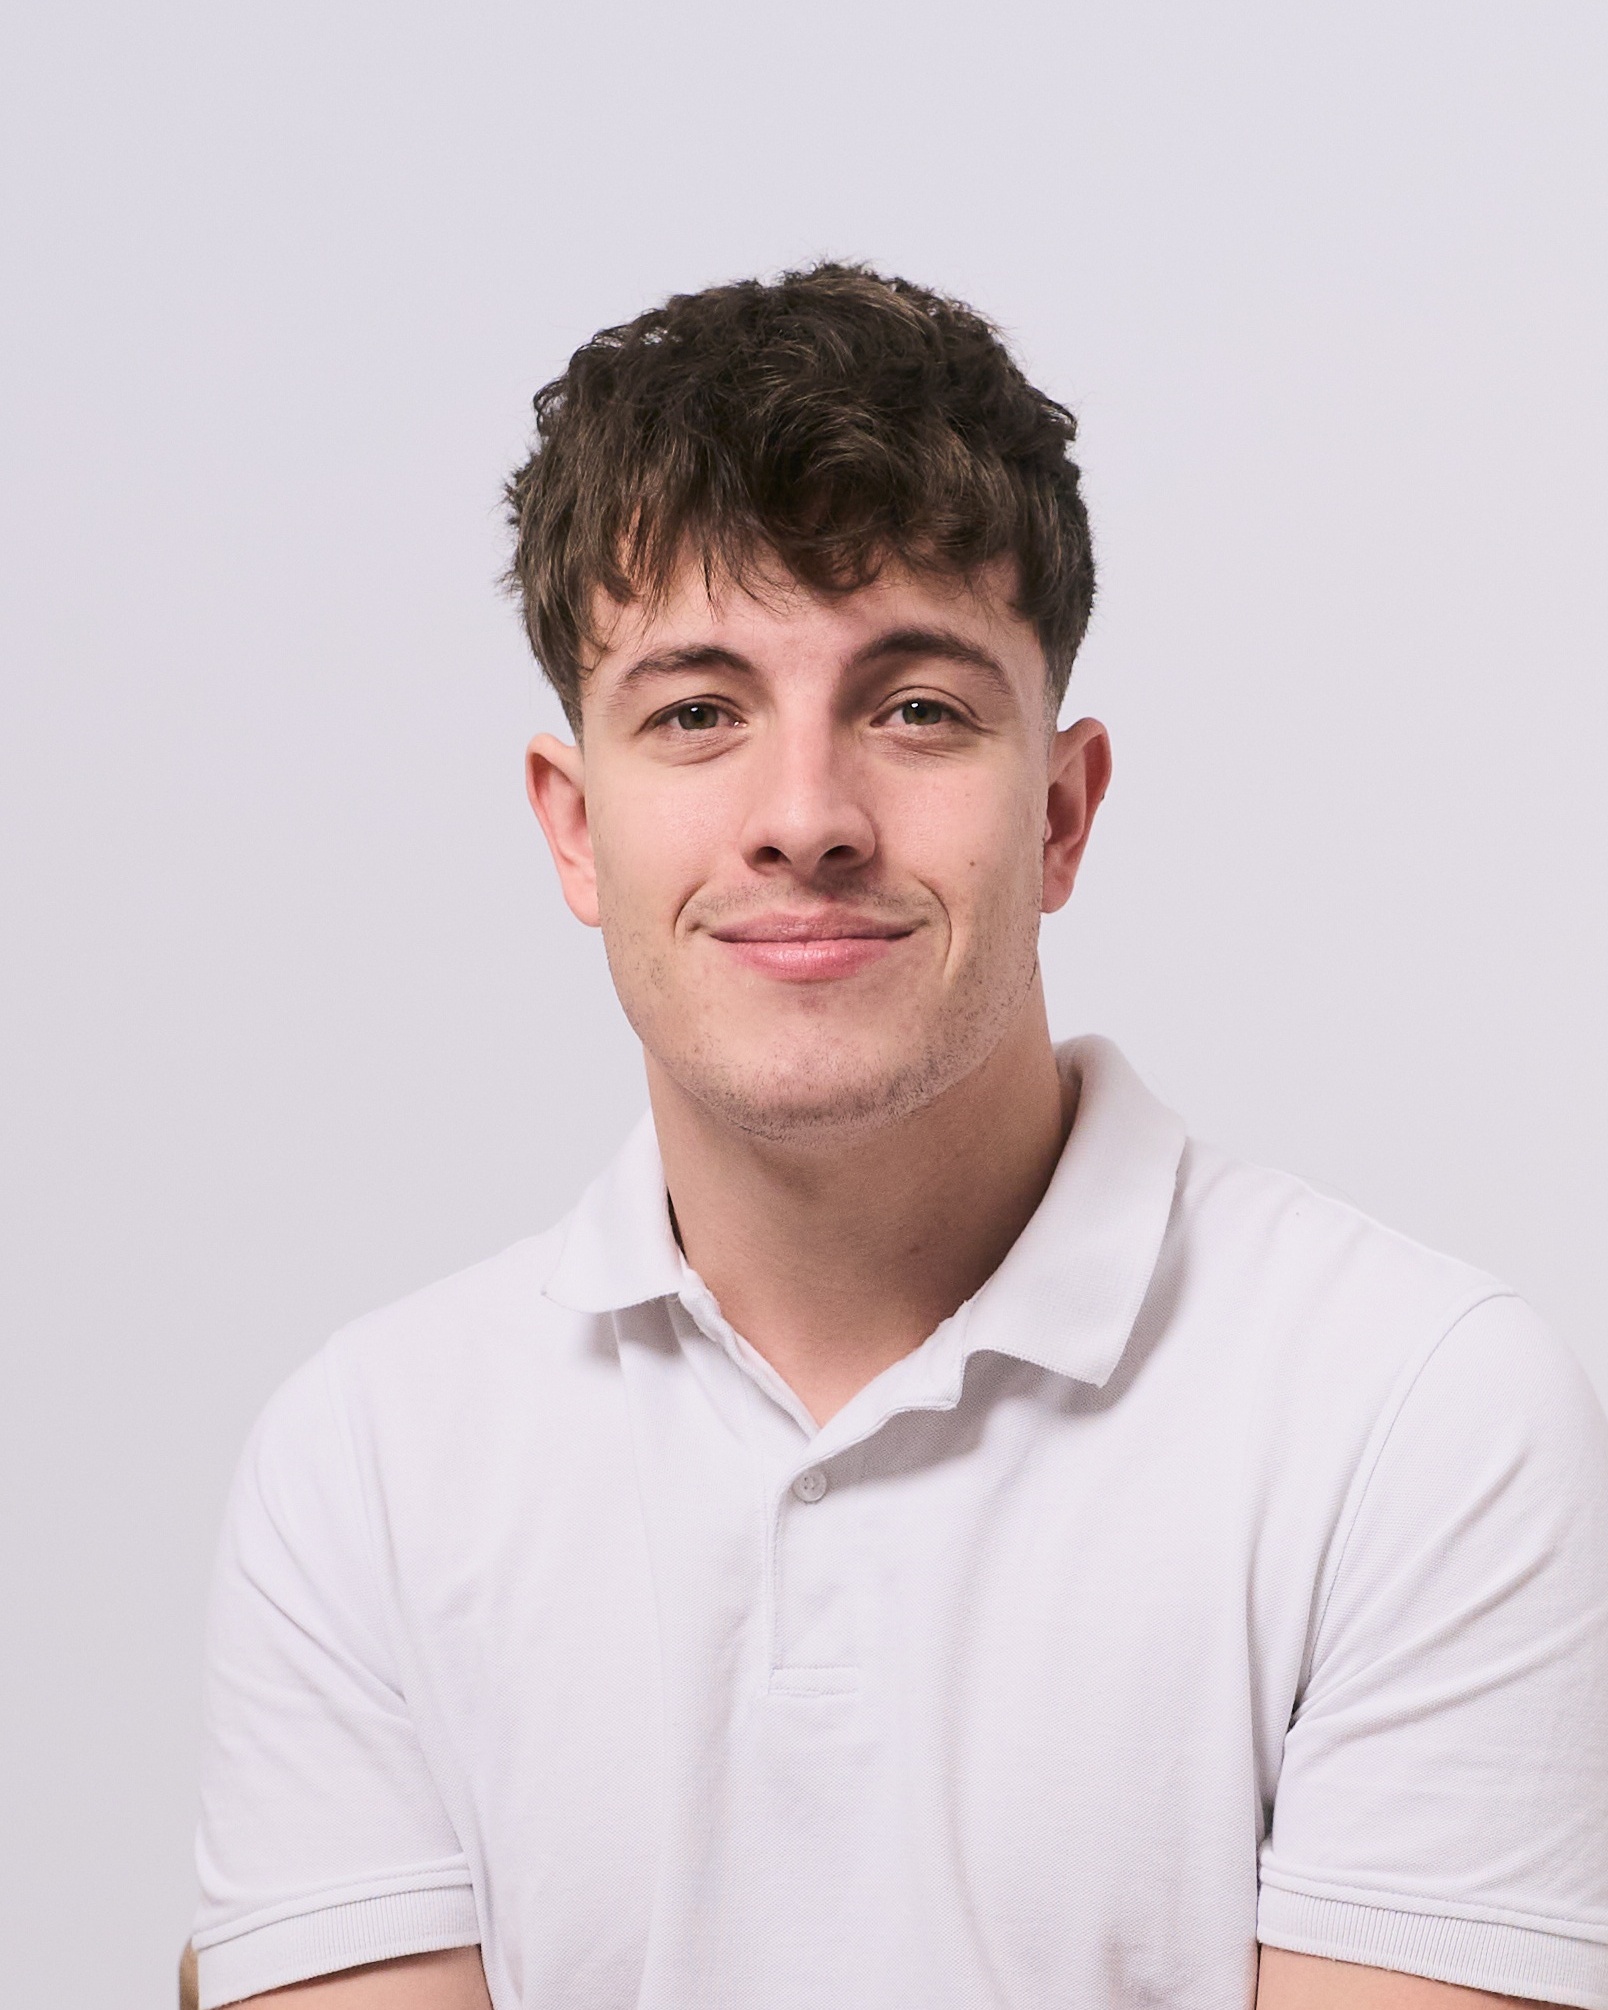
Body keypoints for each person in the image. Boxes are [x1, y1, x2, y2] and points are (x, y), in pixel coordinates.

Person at [189, 264, 1608, 2010]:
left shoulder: (1417, 1414)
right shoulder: (366, 1469)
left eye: (916, 706)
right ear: (574, 827)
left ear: (1064, 810)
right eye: (699, 711)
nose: (806, 820)